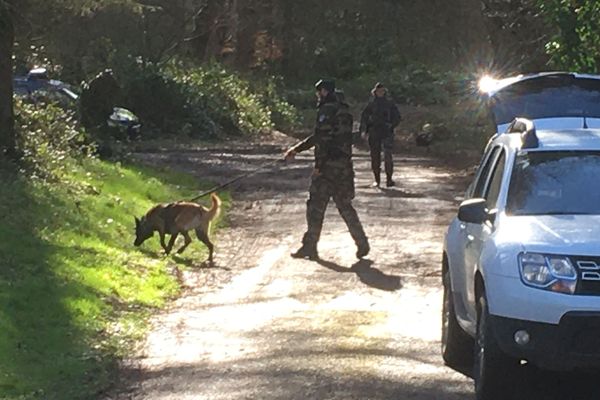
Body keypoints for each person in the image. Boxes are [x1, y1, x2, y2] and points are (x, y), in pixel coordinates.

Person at [284, 79, 370, 260]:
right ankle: (362, 242)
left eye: (318, 92)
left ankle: (310, 246)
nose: (317, 95)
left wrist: (319, 166)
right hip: (345, 166)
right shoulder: (344, 111)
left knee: (315, 206)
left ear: (324, 91)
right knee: (345, 206)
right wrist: (297, 149)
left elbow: (322, 139)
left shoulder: (327, 110)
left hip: (328, 167)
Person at [360, 82, 401, 188]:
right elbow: (364, 117)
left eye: (382, 91)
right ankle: (377, 180)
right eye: (378, 91)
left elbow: (397, 117)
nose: (380, 93)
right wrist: (364, 130)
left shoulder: (390, 103)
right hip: (374, 132)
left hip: (386, 132)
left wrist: (391, 126)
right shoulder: (371, 104)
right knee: (375, 157)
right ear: (375, 92)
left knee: (388, 156)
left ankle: (389, 179)